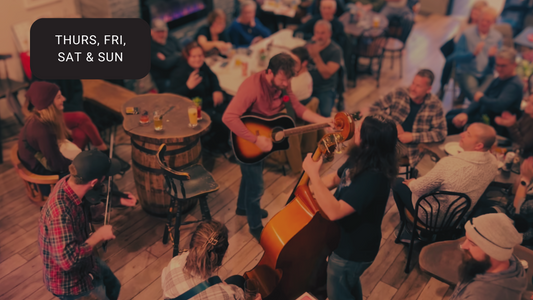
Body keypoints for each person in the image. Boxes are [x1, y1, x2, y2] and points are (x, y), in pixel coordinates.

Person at [222, 53, 333, 240]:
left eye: (288, 79)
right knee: (256, 186)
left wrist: (324, 121)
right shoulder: (252, 87)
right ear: (269, 72)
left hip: (262, 136)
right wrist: (256, 140)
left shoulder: (284, 81)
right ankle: (255, 225)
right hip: (245, 139)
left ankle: (242, 208)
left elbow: (297, 108)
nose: (285, 84)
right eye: (282, 79)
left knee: (250, 175)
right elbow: (228, 117)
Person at [302, 114, 398, 300]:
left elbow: (334, 211)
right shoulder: (363, 155)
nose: (353, 129)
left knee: (339, 291)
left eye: (359, 129)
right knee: (347, 286)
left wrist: (313, 174)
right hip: (344, 240)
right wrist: (307, 191)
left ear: (367, 140)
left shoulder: (373, 176)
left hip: (353, 249)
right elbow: (335, 178)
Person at [38, 149, 137, 300]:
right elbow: (68, 261)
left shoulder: (70, 182)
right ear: (94, 182)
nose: (105, 180)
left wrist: (117, 200)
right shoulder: (60, 214)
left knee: (113, 286)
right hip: (70, 283)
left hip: (87, 260)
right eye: (104, 178)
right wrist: (99, 235)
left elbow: (89, 204)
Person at [392, 123, 498, 231]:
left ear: (478, 146)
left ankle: (407, 228)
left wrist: (412, 183)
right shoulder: (494, 162)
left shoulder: (449, 163)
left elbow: (419, 188)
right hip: (459, 216)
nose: (462, 134)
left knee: (397, 182)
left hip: (433, 217)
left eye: (468, 134)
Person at [18, 81, 107, 177]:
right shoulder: (43, 130)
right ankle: (104, 156)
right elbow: (56, 164)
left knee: (81, 134)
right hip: (41, 170)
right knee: (93, 169)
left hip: (47, 158)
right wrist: (81, 166)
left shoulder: (41, 119)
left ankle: (101, 157)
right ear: (49, 103)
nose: (64, 99)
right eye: (59, 97)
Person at [369, 69, 447, 167]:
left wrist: (413, 137)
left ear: (428, 89)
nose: (413, 88)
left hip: (412, 148)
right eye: (413, 83)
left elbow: (441, 133)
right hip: (387, 136)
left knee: (377, 155)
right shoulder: (400, 92)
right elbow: (374, 108)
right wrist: (393, 123)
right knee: (365, 143)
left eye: (418, 86)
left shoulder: (435, 104)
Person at [161, 220, 252, 299]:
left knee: (237, 279)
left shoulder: (174, 263)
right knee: (239, 280)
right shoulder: (224, 295)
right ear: (223, 255)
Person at [169, 42, 231, 153]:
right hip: (195, 111)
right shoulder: (179, 73)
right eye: (194, 56)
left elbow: (212, 76)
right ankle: (219, 145)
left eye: (200, 56)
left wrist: (217, 89)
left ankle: (229, 142)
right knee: (224, 121)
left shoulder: (201, 65)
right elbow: (171, 97)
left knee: (233, 111)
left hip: (210, 101)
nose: (197, 59)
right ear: (188, 57)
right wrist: (188, 86)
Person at [448, 213, 527, 300]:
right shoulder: (511, 262)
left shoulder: (483, 295)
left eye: (472, 243)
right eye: (466, 239)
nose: (463, 246)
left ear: (494, 251)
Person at [447, 47, 523, 136]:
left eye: (503, 66)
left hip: (490, 125)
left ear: (514, 65)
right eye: (497, 65)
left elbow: (498, 106)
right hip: (481, 114)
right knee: (450, 114)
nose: (499, 69)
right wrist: (466, 113)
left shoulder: (514, 84)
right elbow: (479, 98)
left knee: (449, 122)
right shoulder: (500, 78)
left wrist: (481, 98)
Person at [438, 1, 488, 98]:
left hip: (473, 54)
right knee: (449, 61)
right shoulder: (464, 22)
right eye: (475, 9)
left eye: (479, 11)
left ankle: (463, 92)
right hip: (459, 50)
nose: (475, 12)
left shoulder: (481, 28)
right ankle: (442, 87)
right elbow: (456, 41)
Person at [453, 7, 502, 104]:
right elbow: (456, 57)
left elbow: (497, 64)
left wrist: (492, 57)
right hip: (467, 72)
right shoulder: (467, 34)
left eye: (488, 21)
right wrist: (472, 54)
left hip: (487, 74)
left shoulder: (497, 37)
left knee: (488, 96)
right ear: (478, 19)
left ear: (493, 22)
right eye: (482, 20)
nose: (484, 23)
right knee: (477, 98)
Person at [307, 20, 343, 117]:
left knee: (325, 113)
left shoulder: (335, 50)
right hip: (308, 86)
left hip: (325, 89)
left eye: (322, 33)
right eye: (317, 32)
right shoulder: (309, 45)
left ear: (329, 34)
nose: (319, 36)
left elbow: (326, 74)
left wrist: (316, 56)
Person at [150, 19, 183, 93]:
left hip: (179, 70)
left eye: (163, 31)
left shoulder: (171, 38)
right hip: (164, 78)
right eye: (158, 32)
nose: (161, 34)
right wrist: (178, 55)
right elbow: (165, 64)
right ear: (151, 32)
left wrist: (169, 58)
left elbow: (183, 52)